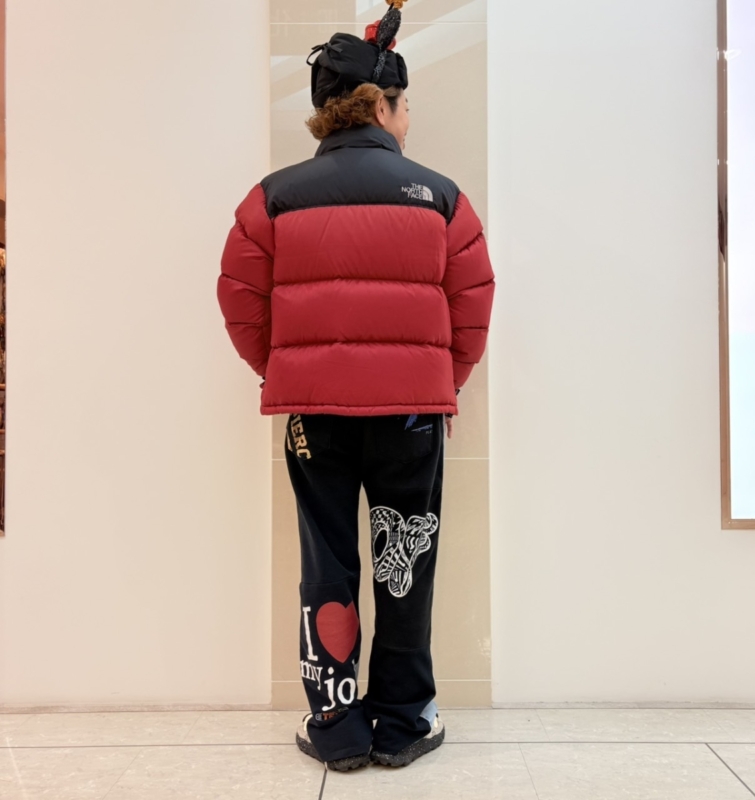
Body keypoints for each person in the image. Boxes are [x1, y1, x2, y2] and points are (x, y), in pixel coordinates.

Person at [217, 0, 495, 772]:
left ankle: (336, 725)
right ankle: (404, 721)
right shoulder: (441, 197)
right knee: (406, 559)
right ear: (379, 106)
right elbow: (474, 304)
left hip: (315, 416)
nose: (409, 120)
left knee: (328, 563)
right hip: (411, 415)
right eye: (405, 106)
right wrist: (442, 382)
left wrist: (285, 369)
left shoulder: (271, 198)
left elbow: (239, 299)